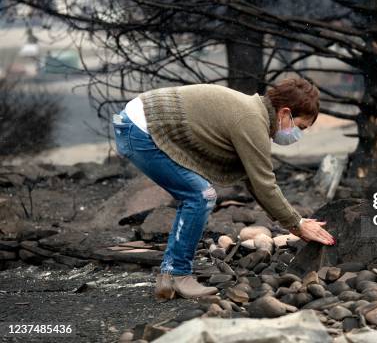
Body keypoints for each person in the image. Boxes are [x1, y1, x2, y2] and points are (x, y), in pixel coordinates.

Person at [111, 78, 335, 301]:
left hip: (135, 122)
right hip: (139, 130)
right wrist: (297, 223)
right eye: (301, 127)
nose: (299, 135)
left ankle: (170, 278)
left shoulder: (254, 113)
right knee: (200, 196)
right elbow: (264, 183)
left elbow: (254, 180)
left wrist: (294, 224)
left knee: (198, 194)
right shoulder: (251, 119)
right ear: (285, 113)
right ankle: (177, 274)